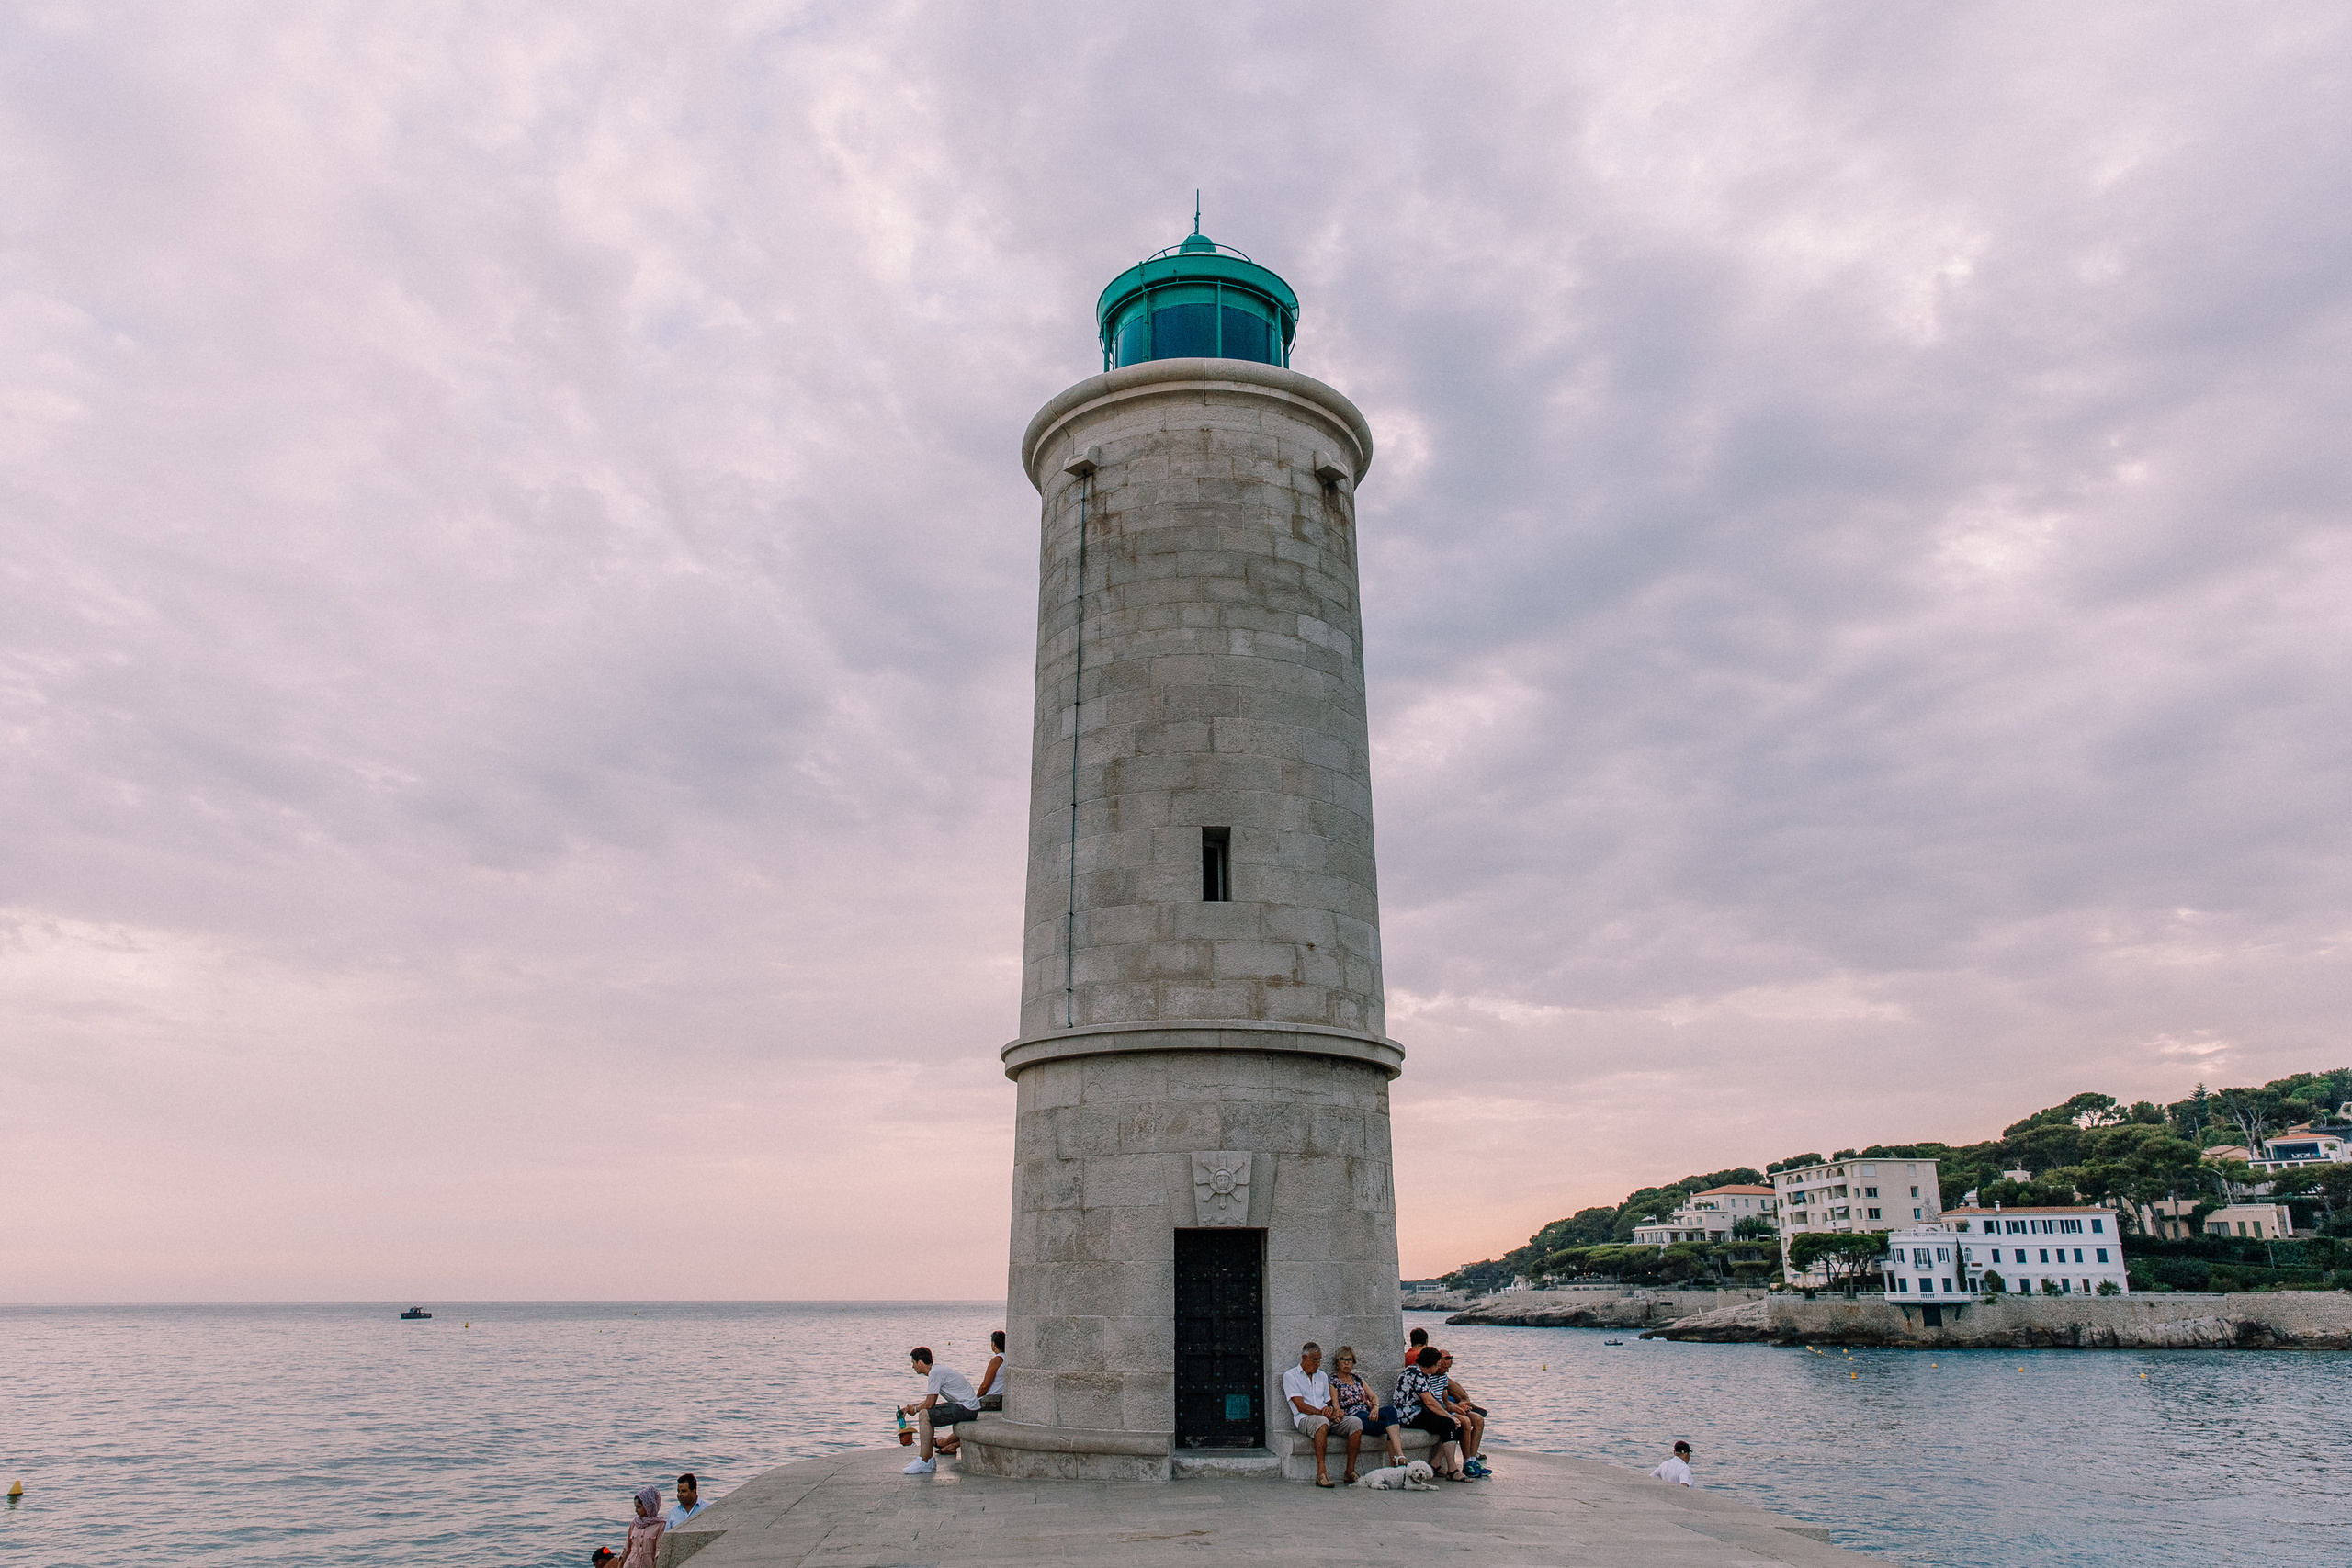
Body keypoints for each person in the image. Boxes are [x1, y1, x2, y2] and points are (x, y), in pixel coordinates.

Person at [1281, 1341, 1356, 1487]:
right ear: (1304, 1358)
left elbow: (1327, 1401)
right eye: (1315, 1360)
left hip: (1325, 1416)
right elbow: (1300, 1405)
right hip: (1305, 1418)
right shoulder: (1290, 1376)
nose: (1318, 1364)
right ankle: (1321, 1472)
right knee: (1321, 1422)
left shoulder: (1322, 1376)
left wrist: (1332, 1410)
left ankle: (1350, 1471)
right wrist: (1324, 1413)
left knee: (1355, 1423)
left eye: (1319, 1360)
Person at [1327, 1346, 1404, 1483]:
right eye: (1343, 1360)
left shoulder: (1357, 1378)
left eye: (1349, 1360)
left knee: (1391, 1412)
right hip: (1354, 1416)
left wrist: (1375, 1408)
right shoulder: (1333, 1381)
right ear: (1337, 1362)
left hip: (1368, 1413)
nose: (1346, 1363)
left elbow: (1373, 1396)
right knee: (1390, 1425)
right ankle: (1397, 1461)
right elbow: (1336, 1406)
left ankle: (1399, 1456)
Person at [900, 1346, 980, 1473]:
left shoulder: (935, 1373)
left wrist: (915, 1409)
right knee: (924, 1413)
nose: (913, 1367)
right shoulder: (937, 1370)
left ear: (920, 1362)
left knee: (924, 1415)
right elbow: (929, 1400)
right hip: (968, 1407)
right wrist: (912, 1407)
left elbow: (929, 1404)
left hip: (966, 1408)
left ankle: (924, 1461)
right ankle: (929, 1460)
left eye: (913, 1363)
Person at [1397, 1346, 1468, 1481]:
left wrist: (1450, 1413)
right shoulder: (1415, 1373)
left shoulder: (1423, 1374)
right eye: (1437, 1365)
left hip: (1419, 1412)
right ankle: (1452, 1470)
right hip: (1408, 1415)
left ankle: (1435, 1463)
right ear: (1431, 1364)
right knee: (1448, 1424)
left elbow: (1434, 1402)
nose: (1438, 1368)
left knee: (1455, 1424)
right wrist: (1449, 1416)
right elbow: (1429, 1401)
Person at [1430, 1348, 1489, 1478]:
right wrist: (1455, 1409)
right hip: (1437, 1411)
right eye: (1445, 1368)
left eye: (1448, 1368)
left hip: (1446, 1408)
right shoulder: (1428, 1376)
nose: (1447, 1371)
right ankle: (1466, 1462)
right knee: (1465, 1422)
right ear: (1437, 1363)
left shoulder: (1443, 1377)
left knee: (1479, 1419)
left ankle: (1472, 1460)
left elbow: (1446, 1402)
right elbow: (1435, 1404)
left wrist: (1458, 1406)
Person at [617, 1486, 665, 1568]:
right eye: (635, 1507)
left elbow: (658, 1552)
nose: (636, 1510)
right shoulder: (634, 1524)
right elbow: (626, 1549)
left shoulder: (660, 1525)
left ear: (648, 1506)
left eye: (639, 1507)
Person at [976, 1330, 1007, 1409]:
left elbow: (985, 1386)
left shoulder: (997, 1360)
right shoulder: (1008, 1358)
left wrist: (975, 1399)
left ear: (993, 1344)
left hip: (992, 1399)